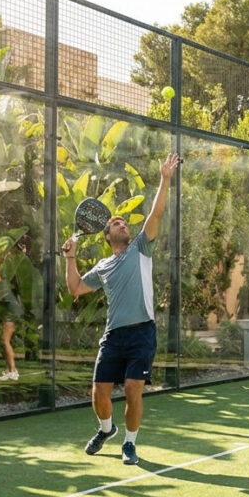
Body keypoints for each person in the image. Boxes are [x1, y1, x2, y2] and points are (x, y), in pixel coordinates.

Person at [63, 152, 181, 466]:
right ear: (107, 235)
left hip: (142, 331)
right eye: (116, 222)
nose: (122, 223)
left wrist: (165, 179)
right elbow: (75, 289)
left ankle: (129, 444)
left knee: (131, 389)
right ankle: (107, 429)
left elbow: (155, 215)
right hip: (113, 336)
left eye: (124, 221)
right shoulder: (103, 266)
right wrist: (70, 257)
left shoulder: (142, 247)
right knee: (98, 393)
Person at [0, 248, 24, 381]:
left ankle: (13, 371)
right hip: (10, 310)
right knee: (3, 342)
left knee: (4, 340)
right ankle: (10, 370)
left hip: (11, 311)